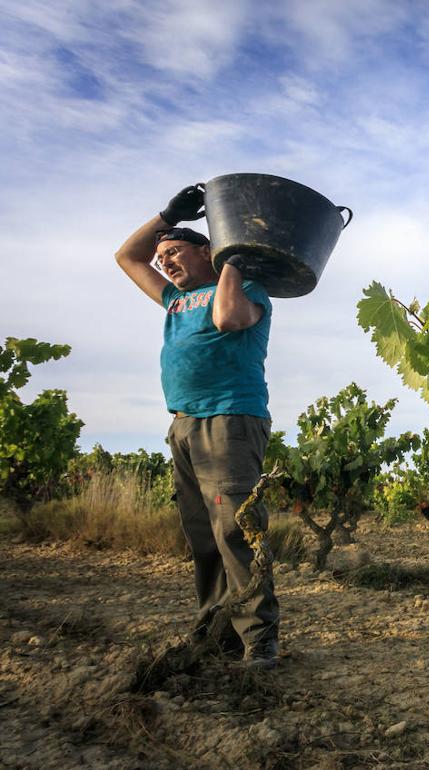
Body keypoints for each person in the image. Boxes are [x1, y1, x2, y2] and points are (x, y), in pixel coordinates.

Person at [115, 184, 280, 669]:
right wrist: (167, 215)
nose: (164, 261)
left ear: (207, 251)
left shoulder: (245, 290)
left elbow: (229, 319)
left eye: (175, 251)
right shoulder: (171, 299)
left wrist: (234, 256)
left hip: (229, 420)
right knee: (203, 537)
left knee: (236, 532)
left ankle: (259, 641)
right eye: (162, 255)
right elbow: (127, 257)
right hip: (184, 425)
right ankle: (215, 633)